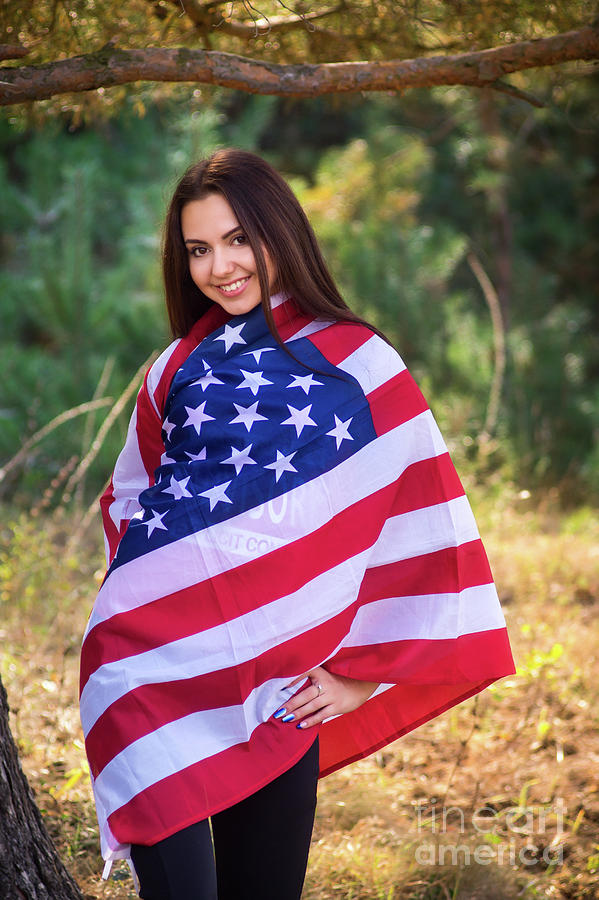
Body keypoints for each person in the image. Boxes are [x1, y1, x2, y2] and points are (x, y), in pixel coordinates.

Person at [80, 148, 515, 899]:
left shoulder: (361, 366)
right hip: (149, 675)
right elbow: (130, 501)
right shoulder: (174, 369)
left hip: (281, 684)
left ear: (279, 231)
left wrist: (358, 679)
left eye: (237, 239)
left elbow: (419, 526)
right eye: (198, 249)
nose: (220, 266)